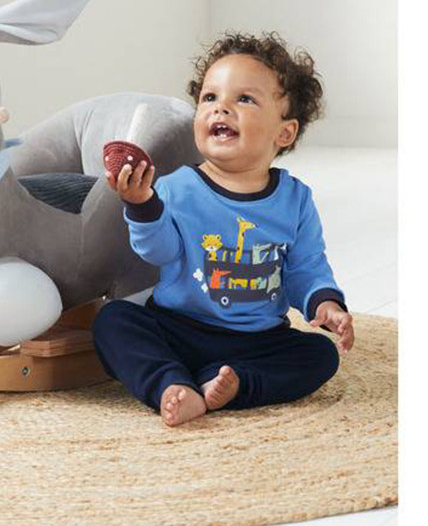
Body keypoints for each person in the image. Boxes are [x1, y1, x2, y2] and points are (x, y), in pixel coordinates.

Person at [95, 32, 355, 427]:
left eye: (244, 99)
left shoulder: (295, 199)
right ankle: (170, 384)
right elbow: (158, 252)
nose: (221, 108)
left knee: (320, 355)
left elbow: (306, 268)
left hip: (257, 341)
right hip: (178, 329)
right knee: (113, 320)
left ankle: (235, 385)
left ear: (284, 132)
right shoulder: (176, 187)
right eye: (210, 98)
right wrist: (142, 203)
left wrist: (326, 305)